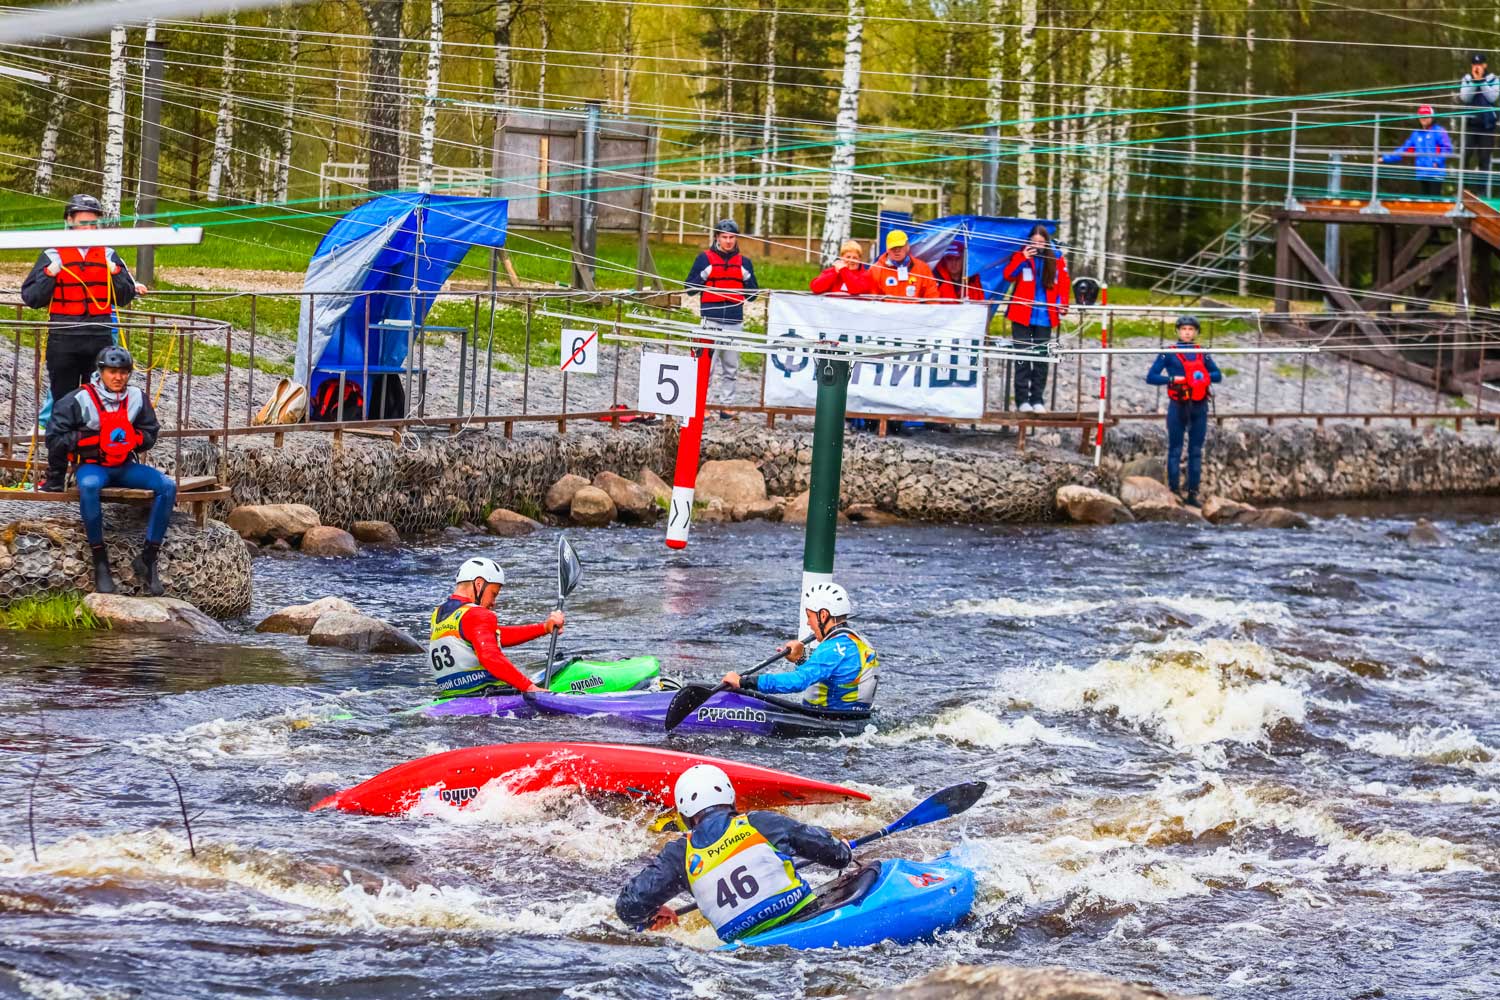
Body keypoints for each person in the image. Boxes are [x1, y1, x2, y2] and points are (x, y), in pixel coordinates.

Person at [615, 764, 853, 943]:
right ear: (729, 798)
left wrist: (650, 915)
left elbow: (629, 907)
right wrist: (842, 848)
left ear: (685, 813)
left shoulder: (678, 855)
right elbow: (837, 857)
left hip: (746, 953)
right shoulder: (760, 823)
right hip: (806, 922)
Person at [22, 194, 146, 487]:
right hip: (63, 341)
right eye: (83, 222)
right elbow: (31, 297)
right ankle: (55, 477)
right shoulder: (52, 253)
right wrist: (49, 273)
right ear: (69, 221)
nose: (89, 228)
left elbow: (125, 296)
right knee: (63, 409)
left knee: (103, 406)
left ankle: (99, 469)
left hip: (99, 342)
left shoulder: (109, 254)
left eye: (93, 223)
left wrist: (117, 273)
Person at [44, 346, 172, 595]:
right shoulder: (78, 399)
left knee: (167, 486)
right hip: (92, 467)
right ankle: (100, 560)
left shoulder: (137, 397)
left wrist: (135, 438)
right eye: (112, 372)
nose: (118, 377)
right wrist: (91, 439)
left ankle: (148, 558)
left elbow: (150, 431)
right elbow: (54, 439)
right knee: (89, 486)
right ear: (100, 371)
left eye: (124, 372)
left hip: (124, 466)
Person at [721, 582, 877, 712]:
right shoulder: (860, 643)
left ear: (823, 615)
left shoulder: (832, 648)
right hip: (850, 720)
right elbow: (831, 676)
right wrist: (801, 659)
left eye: (809, 616)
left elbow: (798, 681)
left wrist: (744, 682)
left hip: (826, 722)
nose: (809, 623)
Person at [428, 557, 566, 697]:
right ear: (479, 584)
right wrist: (529, 688)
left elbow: (491, 637)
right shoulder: (477, 614)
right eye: (493, 594)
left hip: (453, 697)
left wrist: (544, 628)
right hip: (487, 696)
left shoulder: (438, 614)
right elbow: (490, 656)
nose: (493, 602)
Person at [1145, 315, 1223, 508]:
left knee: (1195, 451)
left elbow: (1218, 375)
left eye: (1191, 329)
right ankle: (1174, 492)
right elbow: (1151, 377)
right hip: (1178, 406)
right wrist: (1172, 379)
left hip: (1199, 406)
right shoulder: (1168, 353)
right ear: (1178, 331)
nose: (1187, 333)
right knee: (1175, 449)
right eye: (1184, 329)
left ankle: (1192, 494)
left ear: (1196, 332)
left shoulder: (1203, 353)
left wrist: (1202, 375)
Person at [683, 219, 759, 419]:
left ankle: (726, 406)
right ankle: (702, 405)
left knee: (731, 368)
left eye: (732, 237)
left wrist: (747, 278)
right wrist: (704, 274)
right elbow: (689, 289)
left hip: (734, 321)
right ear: (717, 237)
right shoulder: (704, 259)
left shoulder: (744, 263)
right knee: (707, 367)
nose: (728, 241)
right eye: (724, 237)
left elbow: (753, 296)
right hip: (711, 320)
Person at [1002, 224, 1070, 413]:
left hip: (1045, 316)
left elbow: (1064, 283)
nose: (1038, 245)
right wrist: (1022, 258)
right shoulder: (1021, 255)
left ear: (1047, 243)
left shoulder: (1056, 258)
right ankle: (1022, 400)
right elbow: (1008, 275)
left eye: (1041, 242)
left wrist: (1063, 304)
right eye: (1034, 242)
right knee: (1022, 357)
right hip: (1021, 315)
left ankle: (1037, 399)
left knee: (1041, 358)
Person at [1382, 105, 1454, 197]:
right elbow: (1404, 150)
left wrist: (1437, 161)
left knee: (1434, 200)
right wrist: (1385, 158)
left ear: (1432, 117)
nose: (1423, 118)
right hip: (1422, 173)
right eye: (1421, 116)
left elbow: (1447, 148)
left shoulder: (1439, 131)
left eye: (1426, 116)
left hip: (1435, 173)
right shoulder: (1416, 134)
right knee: (1424, 201)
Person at [1457, 53, 1498, 175]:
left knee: (1484, 159)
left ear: (1485, 65)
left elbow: (1492, 97)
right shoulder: (1466, 79)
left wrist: (1481, 81)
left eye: (1479, 64)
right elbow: (1465, 97)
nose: (1477, 66)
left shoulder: (1494, 79)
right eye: (1474, 64)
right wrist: (1475, 82)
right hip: (1471, 124)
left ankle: (1481, 186)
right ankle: (1464, 184)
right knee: (1465, 155)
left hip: (1488, 126)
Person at [868, 230, 938, 301]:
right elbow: (872, 300)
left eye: (900, 246)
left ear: (907, 246)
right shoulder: (875, 270)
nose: (897, 250)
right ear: (887, 249)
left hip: (913, 308)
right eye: (893, 247)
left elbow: (932, 297)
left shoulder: (922, 268)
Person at [809, 239, 875, 296]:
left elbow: (856, 290)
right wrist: (835, 272)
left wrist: (844, 270)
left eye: (855, 258)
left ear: (859, 259)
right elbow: (816, 288)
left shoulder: (865, 275)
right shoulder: (831, 271)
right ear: (841, 257)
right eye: (848, 257)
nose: (851, 260)